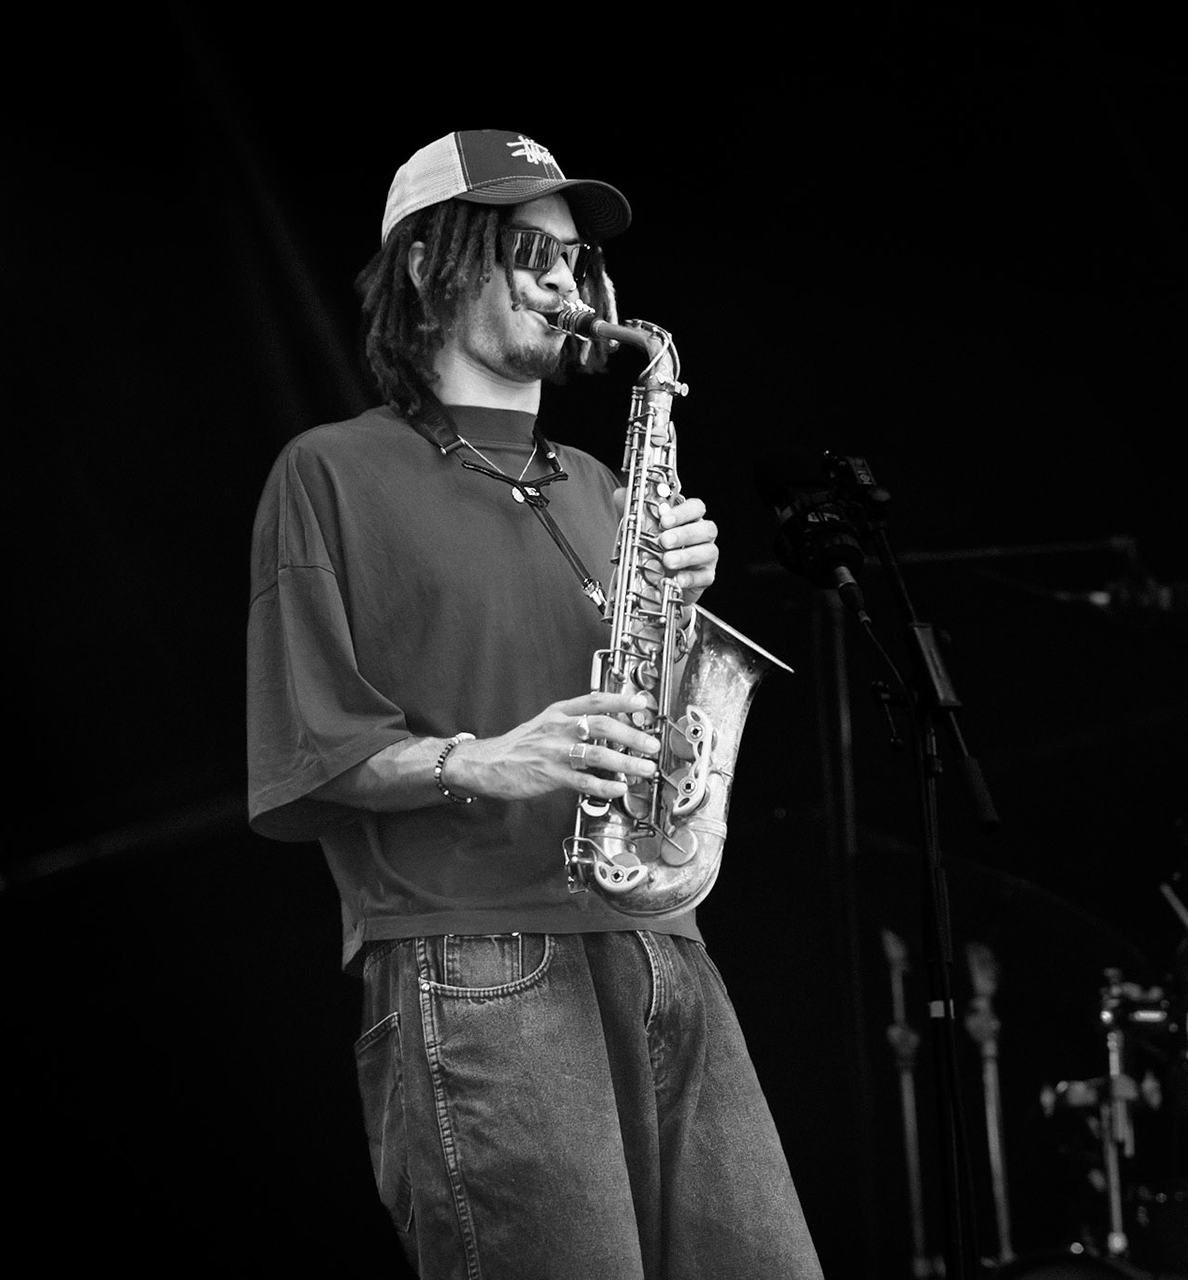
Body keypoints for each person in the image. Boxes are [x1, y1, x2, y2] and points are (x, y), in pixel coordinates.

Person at [245, 128, 824, 1279]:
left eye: (579, 262)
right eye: (529, 250)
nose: (569, 284)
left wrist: (678, 599)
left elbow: (648, 724)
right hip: (477, 958)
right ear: (426, 264)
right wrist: (485, 758)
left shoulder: (604, 485)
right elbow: (309, 751)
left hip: (664, 947)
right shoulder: (329, 472)